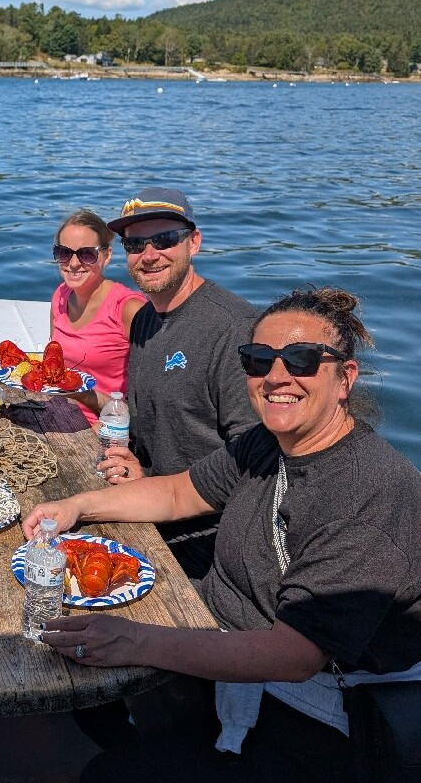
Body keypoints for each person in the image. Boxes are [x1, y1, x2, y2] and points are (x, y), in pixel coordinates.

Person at [24, 287, 421, 783]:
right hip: (225, 642)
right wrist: (76, 505)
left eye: (301, 359)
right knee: (90, 704)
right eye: (258, 360)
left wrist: (135, 640)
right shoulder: (268, 442)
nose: (277, 376)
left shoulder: (369, 490)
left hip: (311, 714)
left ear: (345, 378)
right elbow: (176, 494)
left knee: (109, 774)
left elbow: (296, 654)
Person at [100, 187, 258, 579]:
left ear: (195, 242)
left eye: (165, 239)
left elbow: (255, 460)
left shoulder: (234, 328)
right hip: (145, 508)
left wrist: (155, 486)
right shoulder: (142, 321)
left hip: (205, 546)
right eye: (135, 243)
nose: (149, 254)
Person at [47, 209, 146, 426]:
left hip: (106, 428)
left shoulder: (129, 309)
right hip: (57, 414)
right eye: (64, 252)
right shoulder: (60, 295)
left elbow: (151, 400)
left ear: (106, 256)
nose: (73, 263)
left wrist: (83, 395)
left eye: (86, 254)